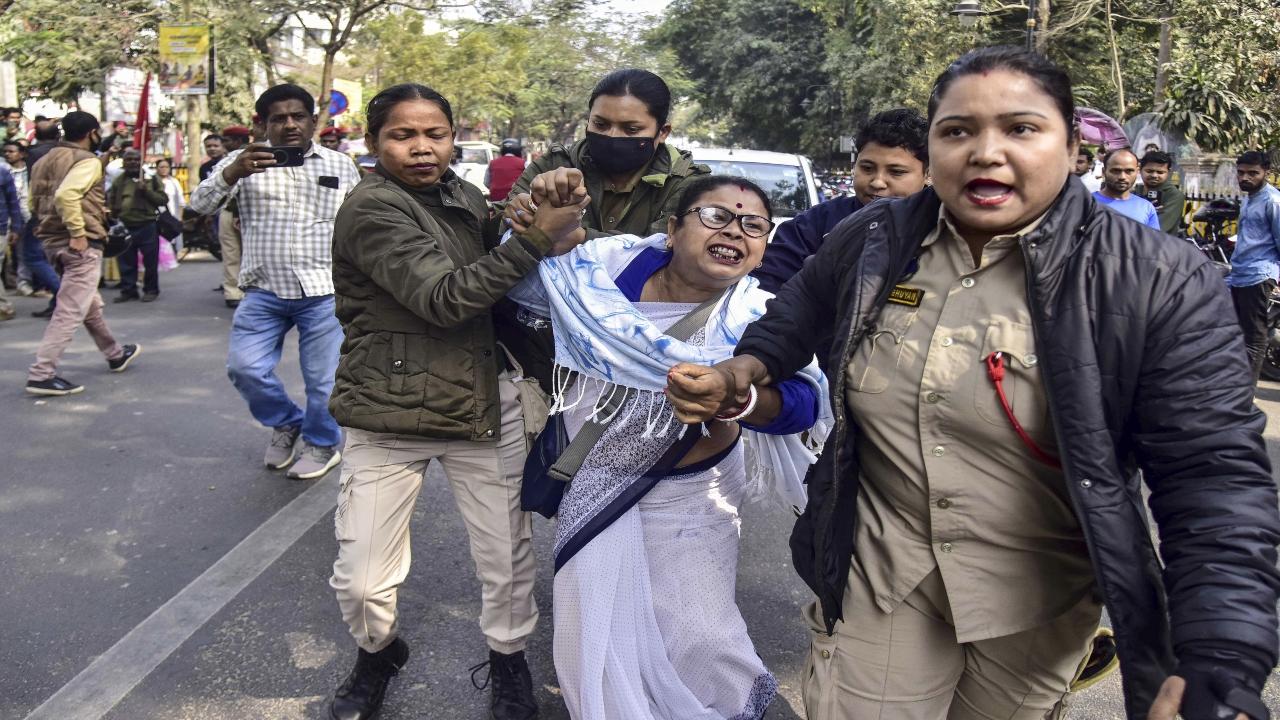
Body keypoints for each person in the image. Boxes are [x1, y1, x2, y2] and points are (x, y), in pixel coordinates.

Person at [671, 46, 1280, 720]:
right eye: (957, 131)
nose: (985, 153)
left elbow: (1214, 476)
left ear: (1074, 144)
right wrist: (744, 370)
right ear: (933, 146)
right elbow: (797, 312)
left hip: (1039, 600)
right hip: (882, 573)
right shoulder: (872, 239)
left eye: (1021, 129)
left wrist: (1221, 657)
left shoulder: (1159, 279)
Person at [508, 172, 829, 720]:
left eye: (754, 225)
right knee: (599, 626)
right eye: (717, 216)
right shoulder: (607, 268)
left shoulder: (760, 315)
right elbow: (530, 294)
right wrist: (539, 234)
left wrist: (737, 399)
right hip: (598, 474)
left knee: (701, 633)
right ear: (673, 228)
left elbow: (804, 400)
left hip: (694, 498)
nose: (735, 231)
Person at [326, 83, 575, 720]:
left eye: (434, 134)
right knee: (360, 580)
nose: (420, 148)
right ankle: (378, 650)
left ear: (453, 137)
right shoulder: (371, 209)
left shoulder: (462, 197)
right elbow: (445, 298)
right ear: (374, 142)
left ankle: (509, 663)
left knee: (507, 559)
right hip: (388, 410)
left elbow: (521, 257)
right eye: (402, 136)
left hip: (482, 405)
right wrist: (532, 241)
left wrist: (556, 215)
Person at [189, 84, 360, 479]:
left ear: (312, 121)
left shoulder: (339, 165)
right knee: (244, 368)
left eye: (297, 116)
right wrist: (232, 173)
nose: (289, 125)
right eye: (278, 118)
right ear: (263, 124)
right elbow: (197, 206)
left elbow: (360, 225)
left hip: (322, 292)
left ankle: (320, 445)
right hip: (263, 290)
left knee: (322, 382)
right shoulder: (240, 162)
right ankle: (285, 422)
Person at [501, 68, 710, 390]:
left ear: (662, 131)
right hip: (538, 344)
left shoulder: (689, 184)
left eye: (631, 129)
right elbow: (511, 228)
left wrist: (580, 239)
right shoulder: (554, 165)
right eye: (600, 125)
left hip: (637, 353)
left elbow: (667, 251)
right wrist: (521, 211)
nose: (612, 136)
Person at [754, 108, 929, 295]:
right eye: (867, 168)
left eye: (896, 172)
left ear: (929, 174)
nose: (877, 182)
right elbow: (768, 291)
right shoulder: (814, 225)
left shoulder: (944, 229)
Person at [25, 111, 140, 395]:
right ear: (91, 133)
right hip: (80, 243)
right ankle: (42, 373)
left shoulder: (42, 160)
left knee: (87, 303)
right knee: (70, 310)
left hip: (51, 241)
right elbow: (66, 195)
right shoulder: (86, 161)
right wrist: (77, 232)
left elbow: (33, 201)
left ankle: (114, 353)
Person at [1225, 150, 1280, 383]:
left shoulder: (1273, 201)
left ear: (1266, 172)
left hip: (1259, 275)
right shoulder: (1248, 198)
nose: (1245, 178)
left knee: (1255, 337)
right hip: (1239, 273)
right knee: (1235, 333)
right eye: (1241, 173)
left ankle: (1245, 394)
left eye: (1253, 173)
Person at [109, 148, 169, 303]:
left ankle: (151, 290)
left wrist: (147, 191)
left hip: (147, 225)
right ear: (123, 162)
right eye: (129, 159)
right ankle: (128, 290)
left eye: (136, 159)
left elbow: (163, 200)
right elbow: (111, 200)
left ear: (141, 161)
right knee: (126, 261)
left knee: (150, 261)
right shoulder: (119, 180)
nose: (133, 162)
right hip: (126, 226)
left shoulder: (151, 179)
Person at [23, 119, 61, 317]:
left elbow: (31, 185)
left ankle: (62, 294)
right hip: (62, 210)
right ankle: (58, 301)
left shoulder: (33, 154)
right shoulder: (65, 152)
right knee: (55, 257)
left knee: (33, 256)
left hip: (42, 211)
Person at [216, 125, 252, 308]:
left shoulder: (253, 158)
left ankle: (243, 291)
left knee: (246, 253)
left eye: (227, 140)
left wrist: (238, 214)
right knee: (231, 253)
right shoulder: (228, 160)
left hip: (244, 214)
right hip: (227, 212)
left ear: (238, 141)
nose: (223, 144)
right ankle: (232, 291)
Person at [1092, 148, 1160, 230]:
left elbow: (1152, 241)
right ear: (1104, 172)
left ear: (1137, 172)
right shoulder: (1087, 204)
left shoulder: (1146, 208)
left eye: (1129, 171)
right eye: (1116, 171)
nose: (1122, 177)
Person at [5, 140, 34, 297]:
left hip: (27, 216)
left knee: (23, 251)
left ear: (22, 154)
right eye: (6, 151)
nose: (8, 154)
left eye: (12, 151)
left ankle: (23, 282)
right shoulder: (4, 171)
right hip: (7, 217)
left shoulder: (30, 171)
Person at [1134, 150, 1186, 235]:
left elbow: (1158, 228)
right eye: (1149, 171)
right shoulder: (1135, 191)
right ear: (1140, 170)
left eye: (1160, 172)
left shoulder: (1173, 195)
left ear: (1168, 172)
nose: (1154, 175)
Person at [154, 157, 185, 250]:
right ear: (157, 168)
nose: (164, 169)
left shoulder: (174, 182)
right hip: (157, 216)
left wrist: (179, 218)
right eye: (161, 167)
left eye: (166, 167)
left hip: (172, 216)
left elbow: (181, 202)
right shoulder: (152, 182)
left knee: (172, 241)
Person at [485, 137, 525, 202]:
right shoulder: (523, 163)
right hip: (516, 200)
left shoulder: (492, 163)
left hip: (496, 200)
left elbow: (486, 183)